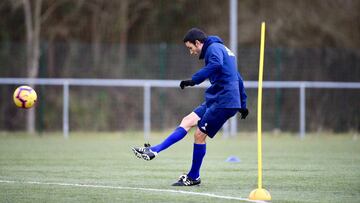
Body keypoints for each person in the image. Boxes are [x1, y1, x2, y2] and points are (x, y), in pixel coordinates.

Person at [132, 28, 248, 186]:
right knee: (187, 120)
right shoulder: (222, 49)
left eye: (190, 48)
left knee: (199, 135)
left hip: (224, 100)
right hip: (217, 98)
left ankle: (194, 177)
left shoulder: (213, 49)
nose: (191, 52)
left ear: (198, 43)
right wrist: (243, 102)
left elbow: (216, 65)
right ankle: (154, 150)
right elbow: (237, 76)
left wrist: (193, 80)